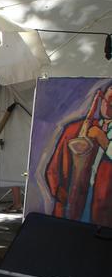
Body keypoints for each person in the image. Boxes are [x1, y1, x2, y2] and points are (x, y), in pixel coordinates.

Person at [45, 83, 112, 227]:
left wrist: (105, 142)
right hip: (69, 211)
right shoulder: (73, 130)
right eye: (107, 100)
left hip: (103, 216)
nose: (108, 106)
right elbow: (53, 170)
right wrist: (63, 197)